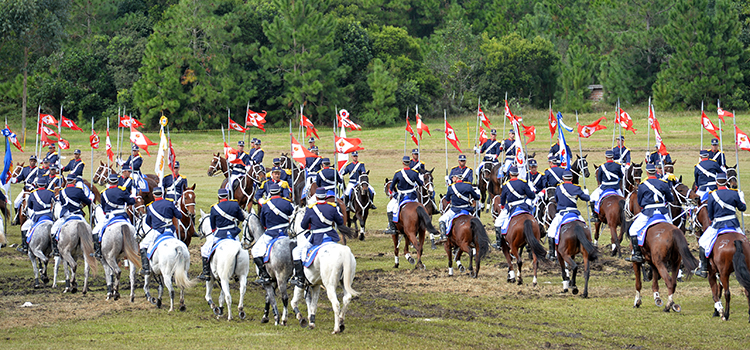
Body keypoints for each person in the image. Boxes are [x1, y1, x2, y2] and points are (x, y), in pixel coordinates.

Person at [291, 188, 344, 288]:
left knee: (296, 252)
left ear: (316, 197)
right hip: (330, 236)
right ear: (325, 196)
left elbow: (303, 226)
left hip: (316, 238)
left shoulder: (311, 209)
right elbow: (340, 222)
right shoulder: (332, 207)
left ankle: (301, 279)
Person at [696, 173, 746, 277]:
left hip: (718, 225)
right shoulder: (735, 193)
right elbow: (742, 208)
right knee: (746, 243)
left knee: (702, 242)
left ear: (716, 183)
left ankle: (704, 269)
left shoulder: (712, 195)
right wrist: (742, 198)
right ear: (727, 182)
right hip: (733, 224)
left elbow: (711, 214)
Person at [198, 188, 247, 281]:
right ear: (227, 196)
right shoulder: (235, 205)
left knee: (205, 250)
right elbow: (241, 218)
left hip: (220, 234)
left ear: (218, 197)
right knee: (241, 249)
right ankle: (238, 272)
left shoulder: (214, 208)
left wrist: (214, 230)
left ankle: (206, 273)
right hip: (233, 234)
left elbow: (213, 226)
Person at [626, 164, 673, 263]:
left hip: (648, 212)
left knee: (633, 230)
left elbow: (640, 201)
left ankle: (637, 254)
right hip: (662, 212)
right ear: (655, 172)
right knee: (674, 231)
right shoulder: (663, 183)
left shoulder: (643, 185)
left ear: (647, 172)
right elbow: (670, 199)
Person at [251, 184, 294, 285]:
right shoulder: (287, 203)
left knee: (255, 251)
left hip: (271, 233)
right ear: (280, 192)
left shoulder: (266, 205)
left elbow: (263, 222)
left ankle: (264, 275)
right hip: (285, 232)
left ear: (270, 193)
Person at [546, 171, 590, 259]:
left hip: (562, 214)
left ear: (563, 178)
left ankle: (552, 253)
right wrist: (586, 193)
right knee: (585, 228)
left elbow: (557, 200)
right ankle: (588, 246)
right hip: (575, 213)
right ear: (572, 178)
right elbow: (586, 198)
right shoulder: (577, 188)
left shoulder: (559, 188)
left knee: (551, 231)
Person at [138, 187, 181, 275]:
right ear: (162, 194)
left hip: (158, 231)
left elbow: (148, 222)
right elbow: (179, 216)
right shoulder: (170, 203)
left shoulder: (150, 207)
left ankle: (146, 268)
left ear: (154, 195)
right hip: (171, 231)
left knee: (143, 245)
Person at [93, 174, 135, 259]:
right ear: (117, 182)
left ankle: (98, 251)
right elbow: (131, 201)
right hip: (123, 215)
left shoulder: (104, 193)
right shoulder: (122, 191)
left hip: (110, 216)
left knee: (95, 231)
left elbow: (104, 208)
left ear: (109, 182)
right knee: (134, 229)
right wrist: (133, 195)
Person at [493, 167, 535, 249]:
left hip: (511, 207)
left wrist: (502, 206)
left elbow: (503, 199)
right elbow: (532, 196)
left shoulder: (506, 185)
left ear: (510, 174)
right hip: (524, 206)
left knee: (497, 222)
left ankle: (499, 243)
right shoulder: (523, 183)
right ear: (518, 174)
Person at [50, 173, 92, 256]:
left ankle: (55, 249)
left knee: (54, 230)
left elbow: (62, 203)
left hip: (67, 216)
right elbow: (87, 202)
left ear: (67, 182)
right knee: (89, 230)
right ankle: (91, 249)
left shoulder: (62, 192)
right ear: (74, 181)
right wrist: (90, 199)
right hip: (78, 215)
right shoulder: (79, 191)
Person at [384, 156, 423, 234]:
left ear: (403, 163)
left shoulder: (398, 173)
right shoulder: (414, 173)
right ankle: (421, 225)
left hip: (401, 196)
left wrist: (390, 191)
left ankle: (393, 228)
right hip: (412, 195)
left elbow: (392, 185)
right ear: (410, 163)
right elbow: (420, 184)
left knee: (389, 207)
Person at [18, 176, 55, 254]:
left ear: (37, 185)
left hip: (37, 217)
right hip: (49, 216)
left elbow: (30, 206)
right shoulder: (51, 192)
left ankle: (26, 248)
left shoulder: (33, 194)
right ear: (45, 185)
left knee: (24, 227)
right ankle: (56, 247)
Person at [439, 174, 480, 240]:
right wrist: (478, 196)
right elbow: (476, 197)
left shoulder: (451, 187)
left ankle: (443, 236)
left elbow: (447, 199)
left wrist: (449, 202)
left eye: (453, 177)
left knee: (441, 219)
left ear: (456, 177)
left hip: (454, 210)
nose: (452, 179)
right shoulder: (468, 186)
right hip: (466, 210)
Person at [588, 150, 623, 223]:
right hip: (615, 187)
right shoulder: (618, 166)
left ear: (606, 157)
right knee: (623, 200)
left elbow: (599, 179)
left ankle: (595, 215)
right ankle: (626, 215)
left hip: (604, 187)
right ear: (613, 157)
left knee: (592, 198)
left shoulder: (602, 167)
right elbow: (621, 176)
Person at [11, 155, 40, 225]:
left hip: (33, 190)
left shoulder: (38, 170)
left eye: (34, 161)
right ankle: (18, 219)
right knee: (16, 202)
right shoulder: (25, 169)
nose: (32, 162)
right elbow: (19, 178)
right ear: (29, 161)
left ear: (36, 162)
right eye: (31, 160)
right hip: (25, 189)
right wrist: (12, 180)